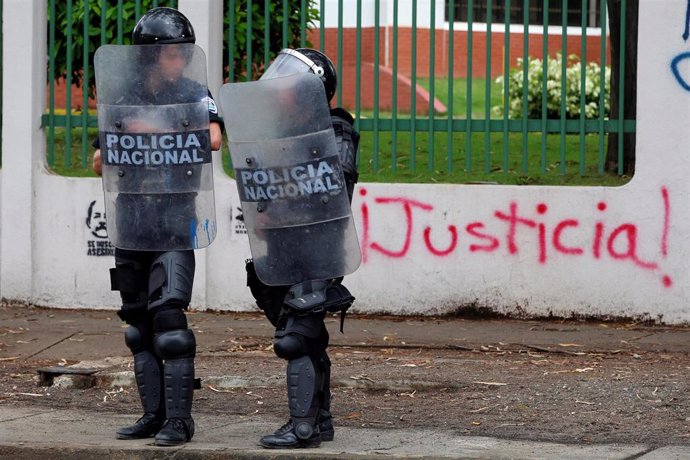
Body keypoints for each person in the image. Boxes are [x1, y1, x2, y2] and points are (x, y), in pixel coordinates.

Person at [92, 7, 223, 447]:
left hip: (174, 219)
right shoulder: (121, 94)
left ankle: (180, 422)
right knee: (137, 324)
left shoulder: (193, 90)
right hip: (131, 218)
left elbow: (215, 137)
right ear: (149, 55)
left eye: (183, 52)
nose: (179, 60)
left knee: (169, 319)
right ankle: (152, 415)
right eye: (171, 53)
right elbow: (98, 158)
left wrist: (146, 129)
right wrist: (126, 139)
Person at [242, 48, 360, 449]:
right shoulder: (276, 130)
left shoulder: (335, 127)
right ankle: (321, 420)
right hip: (282, 246)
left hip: (318, 247)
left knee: (295, 336)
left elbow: (333, 185)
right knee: (303, 334)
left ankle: (302, 427)